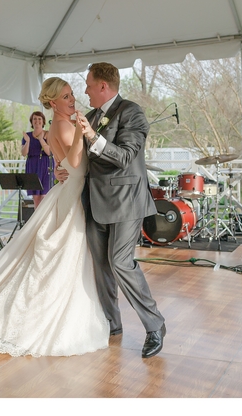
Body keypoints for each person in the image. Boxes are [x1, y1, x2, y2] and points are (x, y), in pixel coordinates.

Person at [0, 77, 109, 357]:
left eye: (71, 93)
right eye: (65, 96)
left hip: (71, 188)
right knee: (62, 259)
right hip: (72, 194)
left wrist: (64, 161)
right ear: (52, 103)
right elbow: (75, 162)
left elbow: (63, 162)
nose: (72, 99)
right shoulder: (62, 125)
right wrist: (79, 133)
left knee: (69, 259)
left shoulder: (63, 125)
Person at [74, 62, 166, 358]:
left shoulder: (132, 112)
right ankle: (112, 324)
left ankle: (155, 325)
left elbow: (126, 156)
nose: (85, 90)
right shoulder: (89, 117)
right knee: (100, 266)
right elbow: (80, 159)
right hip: (94, 201)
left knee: (120, 262)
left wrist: (92, 137)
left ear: (104, 86)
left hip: (127, 201)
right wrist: (67, 171)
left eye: (89, 84)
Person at [20, 111, 53, 208]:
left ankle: (45, 221)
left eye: (39, 119)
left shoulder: (48, 134)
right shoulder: (27, 136)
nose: (37, 121)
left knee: (44, 196)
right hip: (32, 165)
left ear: (43, 122)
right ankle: (37, 222)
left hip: (46, 165)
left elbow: (49, 152)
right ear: (31, 122)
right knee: (36, 197)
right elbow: (23, 153)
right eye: (35, 119)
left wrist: (41, 140)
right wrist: (28, 142)